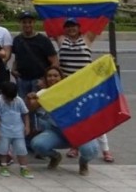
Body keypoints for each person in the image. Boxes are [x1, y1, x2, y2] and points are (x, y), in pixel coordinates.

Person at [54, 18, 114, 162]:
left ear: (79, 27)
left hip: (86, 86)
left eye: (73, 26)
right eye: (68, 26)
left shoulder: (87, 38)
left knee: (94, 117)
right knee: (74, 118)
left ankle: (105, 149)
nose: (71, 29)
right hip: (69, 86)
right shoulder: (61, 39)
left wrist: (108, 10)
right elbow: (49, 21)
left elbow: (99, 23)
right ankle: (75, 146)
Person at [28, 66, 100, 176]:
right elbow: (32, 107)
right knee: (37, 144)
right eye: (49, 76)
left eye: (55, 76)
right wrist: (30, 98)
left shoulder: (72, 90)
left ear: (61, 77)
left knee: (90, 149)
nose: (52, 78)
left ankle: (84, 162)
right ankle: (55, 157)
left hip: (78, 132)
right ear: (45, 79)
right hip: (57, 133)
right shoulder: (44, 93)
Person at [11, 11, 58, 99]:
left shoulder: (44, 40)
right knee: (24, 108)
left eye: (30, 22)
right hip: (22, 80)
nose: (27, 25)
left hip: (38, 80)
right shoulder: (17, 40)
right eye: (24, 22)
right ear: (20, 24)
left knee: (38, 108)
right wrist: (13, 69)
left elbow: (55, 62)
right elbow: (17, 57)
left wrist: (45, 79)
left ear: (34, 23)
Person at [0, 81, 33, 179]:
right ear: (2, 92)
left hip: (18, 130)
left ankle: (23, 168)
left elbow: (25, 113)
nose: (10, 100)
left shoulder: (19, 100)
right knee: (3, 149)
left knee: (21, 149)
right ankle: (4, 166)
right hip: (3, 129)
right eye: (7, 97)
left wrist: (27, 126)